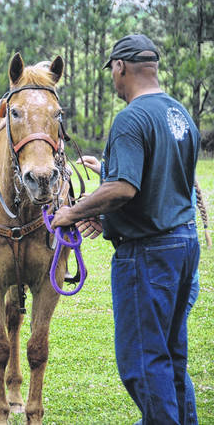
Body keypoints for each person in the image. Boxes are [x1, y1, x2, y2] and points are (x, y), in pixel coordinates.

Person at [52, 34, 200, 425]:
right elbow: (162, 184)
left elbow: (123, 188)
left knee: (142, 362)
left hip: (147, 256)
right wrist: (109, 216)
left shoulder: (131, 118)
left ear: (120, 67)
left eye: (112, 73)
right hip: (182, 245)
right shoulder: (179, 114)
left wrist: (72, 212)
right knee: (170, 355)